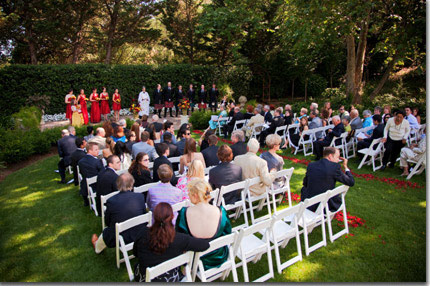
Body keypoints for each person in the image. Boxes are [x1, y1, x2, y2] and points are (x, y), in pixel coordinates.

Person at [133, 203, 210, 282]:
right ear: (172, 217)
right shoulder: (180, 239)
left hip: (142, 278)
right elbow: (205, 245)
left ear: (154, 217)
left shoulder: (143, 232)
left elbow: (135, 253)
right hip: (169, 279)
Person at [176, 179, 231, 270]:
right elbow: (227, 233)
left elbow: (179, 237)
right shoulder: (221, 211)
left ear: (196, 195)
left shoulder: (184, 212)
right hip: (218, 256)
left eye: (189, 193)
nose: (188, 196)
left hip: (194, 259)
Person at [91, 173, 146, 254]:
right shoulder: (140, 196)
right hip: (139, 232)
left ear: (118, 185)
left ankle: (97, 247)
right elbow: (143, 214)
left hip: (121, 237)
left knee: (107, 232)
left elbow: (108, 222)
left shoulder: (111, 201)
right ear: (131, 184)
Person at [301, 147, 355, 212]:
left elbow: (305, 183)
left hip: (309, 202)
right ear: (330, 156)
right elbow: (351, 182)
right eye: (337, 157)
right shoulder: (334, 167)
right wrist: (346, 167)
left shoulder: (311, 165)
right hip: (326, 204)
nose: (338, 160)